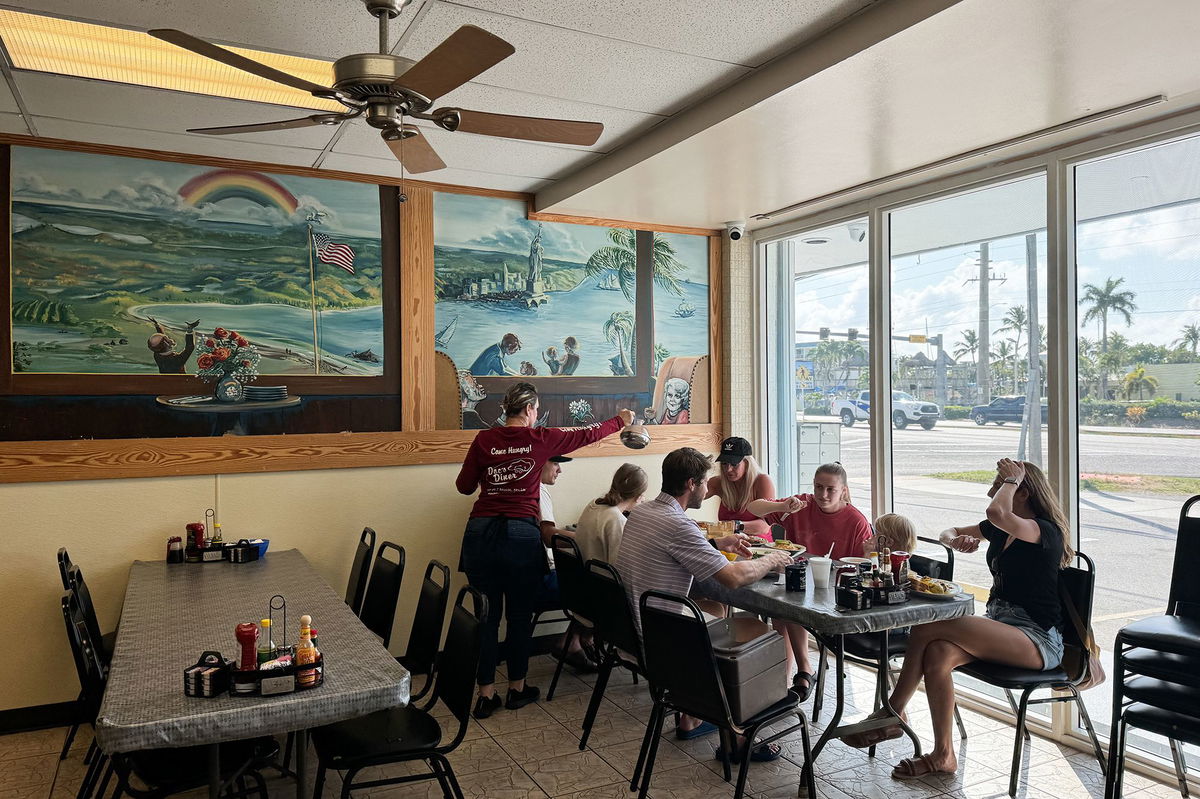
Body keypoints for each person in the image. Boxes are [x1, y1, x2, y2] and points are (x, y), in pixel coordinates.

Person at [844, 459, 1073, 782]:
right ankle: (943, 755)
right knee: (937, 651)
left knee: (928, 623)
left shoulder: (1042, 530)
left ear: (1022, 493)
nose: (993, 489)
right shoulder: (1002, 527)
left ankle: (892, 713)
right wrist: (955, 540)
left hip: (1037, 640)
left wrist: (1012, 479)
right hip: (1001, 625)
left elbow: (996, 513)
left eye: (1002, 484)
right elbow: (947, 532)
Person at [456, 382, 633, 719]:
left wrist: (493, 477)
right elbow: (586, 434)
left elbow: (464, 487)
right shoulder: (540, 439)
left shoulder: (483, 440)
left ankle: (485, 694)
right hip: (520, 534)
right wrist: (621, 420)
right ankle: (517, 690)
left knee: (487, 617)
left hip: (480, 532)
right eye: (535, 411)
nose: (536, 417)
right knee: (519, 617)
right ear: (529, 410)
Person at [616, 447, 792, 760]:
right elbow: (734, 577)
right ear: (690, 485)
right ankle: (737, 738)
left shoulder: (643, 513)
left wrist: (713, 544)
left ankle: (692, 716)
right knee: (759, 631)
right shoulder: (678, 524)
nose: (708, 489)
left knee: (723, 616)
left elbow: (672, 549)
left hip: (637, 630)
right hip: (667, 642)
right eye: (704, 483)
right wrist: (774, 560)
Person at [748, 462, 872, 700]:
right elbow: (754, 508)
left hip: (833, 591)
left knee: (786, 607)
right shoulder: (803, 504)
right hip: (798, 581)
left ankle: (802, 670)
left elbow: (862, 567)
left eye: (830, 489)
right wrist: (784, 506)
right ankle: (787, 678)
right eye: (818, 487)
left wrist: (868, 554)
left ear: (843, 490)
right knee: (781, 608)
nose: (822, 495)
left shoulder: (856, 521)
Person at [537, 455, 594, 672]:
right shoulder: (538, 490)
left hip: (531, 573)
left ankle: (581, 638)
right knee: (604, 589)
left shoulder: (534, 489)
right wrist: (586, 536)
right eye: (555, 463)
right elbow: (549, 535)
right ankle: (572, 641)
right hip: (541, 578)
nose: (559, 470)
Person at [575, 463, 648, 564]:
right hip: (601, 577)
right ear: (638, 497)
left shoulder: (593, 504)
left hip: (584, 574)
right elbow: (619, 565)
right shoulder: (616, 519)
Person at [706, 437, 776, 541]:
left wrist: (734, 526)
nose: (728, 469)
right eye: (724, 463)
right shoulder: (719, 482)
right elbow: (690, 495)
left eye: (734, 464)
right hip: (728, 545)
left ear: (747, 463)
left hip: (758, 546)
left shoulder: (762, 481)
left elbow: (765, 526)